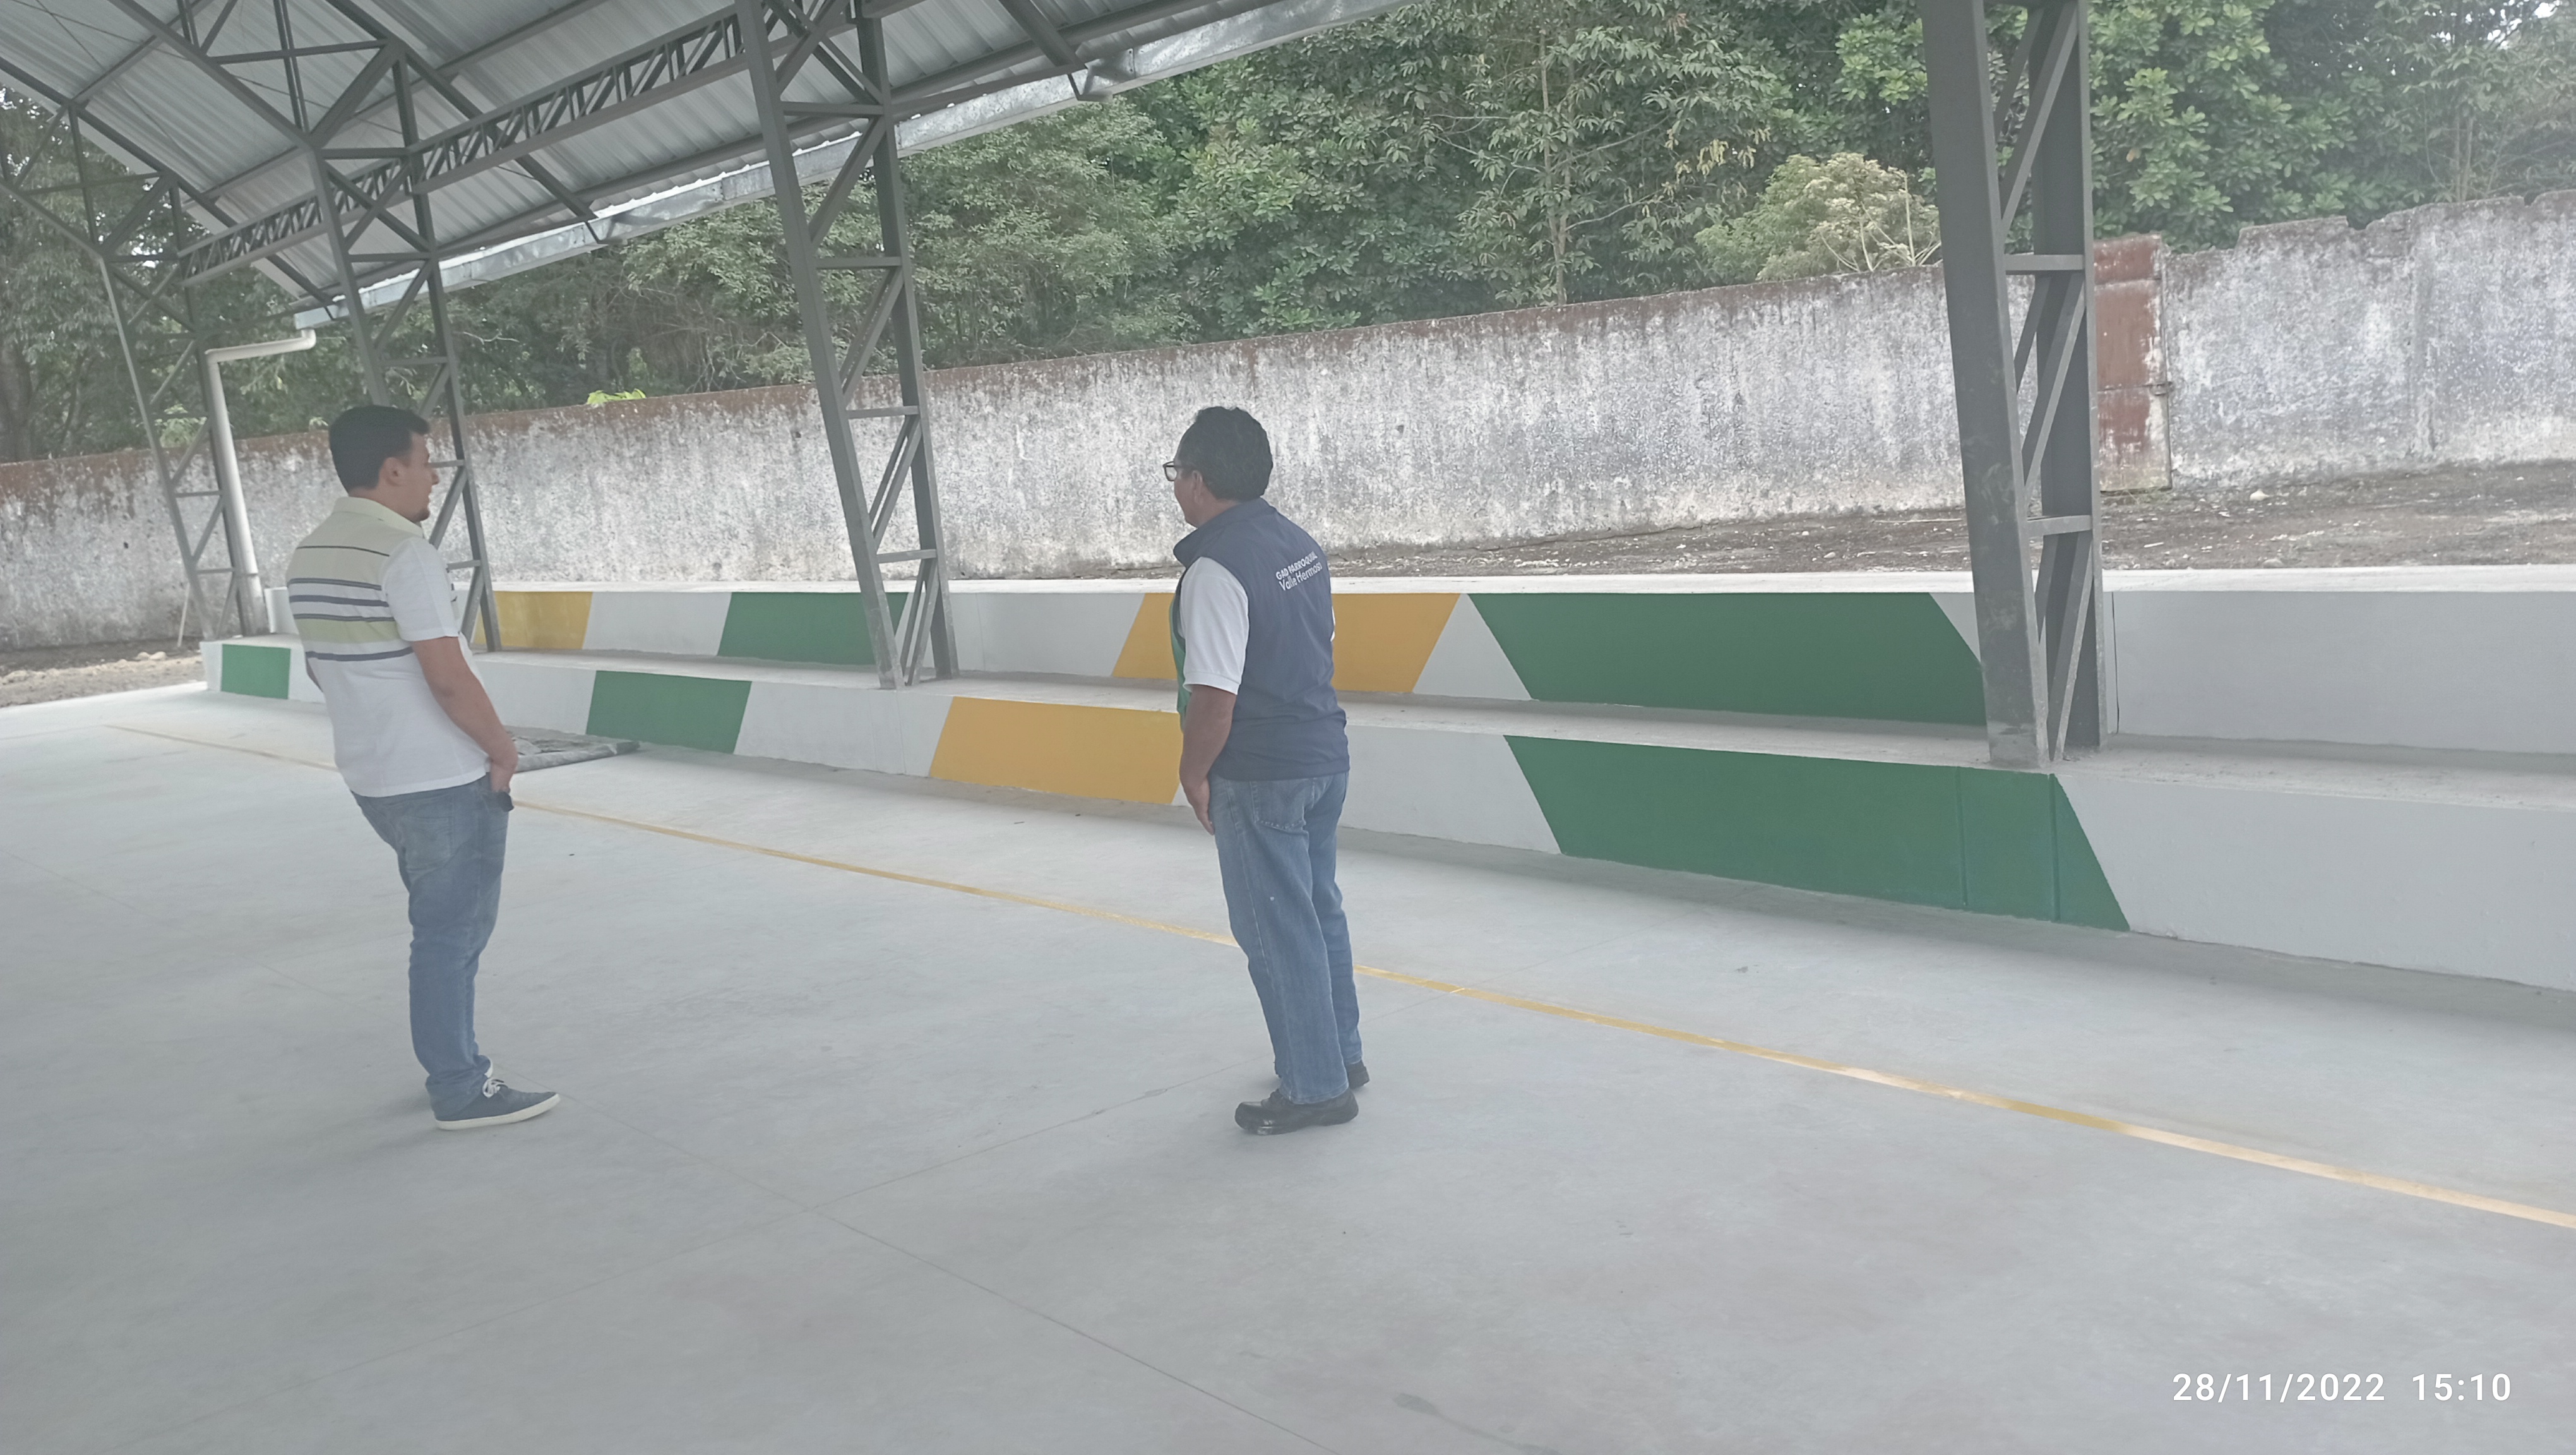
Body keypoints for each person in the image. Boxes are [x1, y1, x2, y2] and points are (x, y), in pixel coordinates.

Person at [286, 405, 557, 1131]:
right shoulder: (404, 554)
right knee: (451, 932)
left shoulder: (310, 553)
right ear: (392, 469)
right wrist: (502, 749)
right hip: (439, 777)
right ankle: (459, 1085)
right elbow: (447, 678)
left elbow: (320, 668)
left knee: (441, 924)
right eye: (426, 462)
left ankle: (449, 1056)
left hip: (373, 779)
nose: (435, 477)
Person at [1166, 406, 1367, 1134]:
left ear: (1199, 480)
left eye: (1176, 473)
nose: (1176, 487)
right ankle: (1340, 1055)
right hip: (1321, 757)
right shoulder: (1297, 544)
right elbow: (1319, 640)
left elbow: (1215, 697)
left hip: (1262, 773)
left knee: (1277, 930)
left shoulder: (1217, 569)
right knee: (1317, 911)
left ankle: (1316, 1088)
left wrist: (1194, 773)